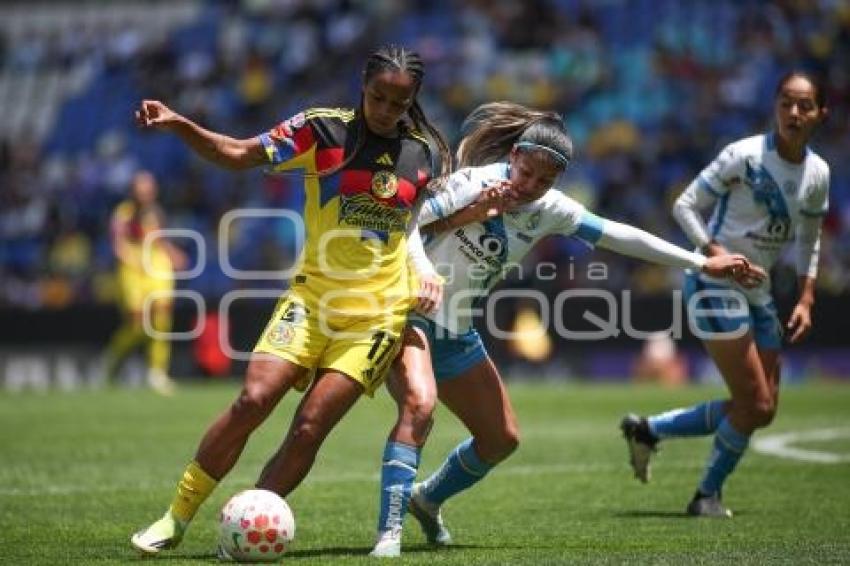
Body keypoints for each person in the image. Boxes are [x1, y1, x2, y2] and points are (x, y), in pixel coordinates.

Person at [368, 102, 764, 556]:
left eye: (545, 181)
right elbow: (407, 222)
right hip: (407, 313)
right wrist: (451, 237)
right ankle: (389, 533)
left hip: (456, 331)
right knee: (419, 406)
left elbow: (620, 235)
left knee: (501, 440)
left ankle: (427, 499)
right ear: (514, 155)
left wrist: (700, 261)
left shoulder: (551, 209)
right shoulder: (471, 182)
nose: (531, 187)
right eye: (526, 173)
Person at [129, 45, 451, 555]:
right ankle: (175, 517)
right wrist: (179, 124)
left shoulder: (424, 154)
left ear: (414, 100)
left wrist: (425, 271)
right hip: (311, 300)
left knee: (307, 429)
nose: (386, 109)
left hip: (377, 318)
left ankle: (245, 528)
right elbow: (235, 153)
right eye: (378, 97)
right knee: (252, 400)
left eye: (399, 102)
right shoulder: (322, 130)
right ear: (362, 88)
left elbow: (411, 226)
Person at [620, 71, 830, 518]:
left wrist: (807, 297)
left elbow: (810, 239)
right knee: (753, 402)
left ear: (820, 114)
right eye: (787, 103)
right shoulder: (744, 156)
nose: (794, 113)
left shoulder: (817, 173)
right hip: (715, 284)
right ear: (775, 106)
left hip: (760, 291)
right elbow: (684, 205)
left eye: (805, 105)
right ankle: (705, 496)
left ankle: (649, 431)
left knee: (763, 409)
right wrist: (715, 252)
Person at [104, 170, 185, 396]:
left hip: (156, 266)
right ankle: (113, 359)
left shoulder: (154, 213)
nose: (146, 195)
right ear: (133, 192)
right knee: (138, 324)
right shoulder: (123, 214)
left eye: (149, 190)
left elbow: (159, 239)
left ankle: (157, 372)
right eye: (141, 191)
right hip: (133, 271)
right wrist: (131, 259)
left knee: (161, 318)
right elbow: (117, 244)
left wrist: (173, 254)